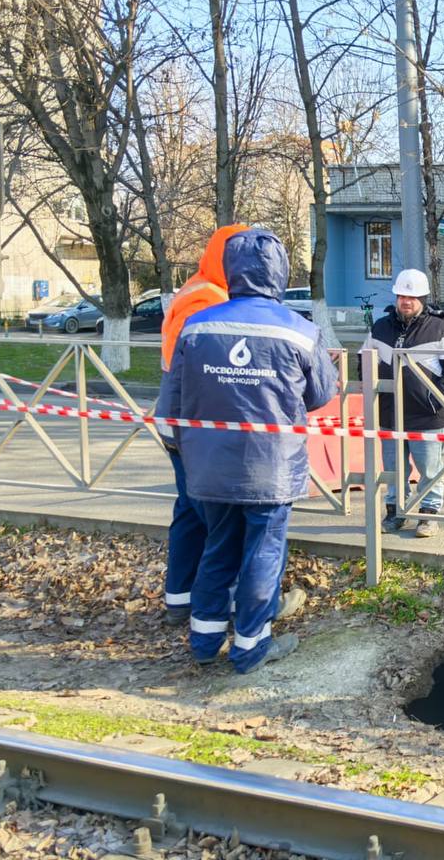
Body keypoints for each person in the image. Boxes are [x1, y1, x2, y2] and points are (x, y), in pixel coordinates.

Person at [167, 230, 337, 672]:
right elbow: (320, 394)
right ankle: (251, 647)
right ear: (279, 273)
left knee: (218, 546)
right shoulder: (301, 330)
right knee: (263, 552)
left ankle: (204, 644)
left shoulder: (198, 324)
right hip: (272, 466)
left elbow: (173, 399)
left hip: (210, 467)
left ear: (231, 270)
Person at [157, 223, 247, 625]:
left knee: (192, 512)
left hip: (182, 423)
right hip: (193, 426)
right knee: (217, 518)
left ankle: (180, 599)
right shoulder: (207, 299)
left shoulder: (203, 289)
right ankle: (221, 608)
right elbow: (197, 371)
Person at [360, 268, 444, 538]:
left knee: (430, 469)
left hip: (426, 416)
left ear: (422, 298)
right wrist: (374, 393)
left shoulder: (442, 328)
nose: (405, 301)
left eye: (411, 296)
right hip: (389, 414)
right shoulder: (380, 327)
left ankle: (428, 515)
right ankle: (396, 511)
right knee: (394, 468)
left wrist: (433, 400)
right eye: (401, 296)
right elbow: (364, 363)